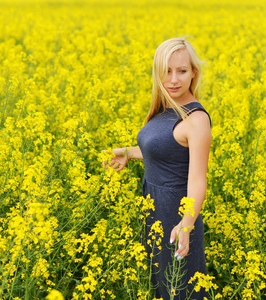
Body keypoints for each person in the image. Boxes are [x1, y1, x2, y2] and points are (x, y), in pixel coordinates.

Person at [103, 37, 211, 299]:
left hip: (176, 213)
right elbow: (165, 151)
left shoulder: (196, 120)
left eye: (182, 71)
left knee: (182, 287)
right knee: (162, 285)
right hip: (154, 209)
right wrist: (128, 153)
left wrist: (185, 224)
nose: (173, 79)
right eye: (167, 71)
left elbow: (197, 180)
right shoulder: (166, 106)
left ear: (193, 73)